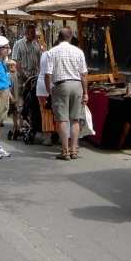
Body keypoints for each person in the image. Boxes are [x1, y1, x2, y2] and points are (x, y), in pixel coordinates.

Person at [45, 27, 88, 161]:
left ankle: (65, 151)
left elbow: (48, 74)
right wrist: (86, 92)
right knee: (75, 119)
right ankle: (74, 149)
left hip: (61, 85)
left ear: (58, 37)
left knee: (62, 119)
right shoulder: (78, 51)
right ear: (70, 38)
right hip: (77, 85)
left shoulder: (52, 52)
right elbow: (84, 74)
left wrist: (49, 89)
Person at [12, 23, 41, 136]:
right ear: (26, 33)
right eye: (32, 32)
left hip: (33, 77)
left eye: (34, 32)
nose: (34, 34)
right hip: (21, 77)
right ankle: (18, 124)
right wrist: (23, 74)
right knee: (19, 100)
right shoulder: (18, 44)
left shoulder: (36, 45)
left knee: (31, 100)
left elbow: (38, 61)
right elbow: (16, 61)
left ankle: (29, 121)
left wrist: (38, 73)